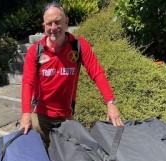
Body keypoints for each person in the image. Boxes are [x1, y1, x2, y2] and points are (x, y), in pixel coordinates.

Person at [19, 1, 123, 147]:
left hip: (66, 117)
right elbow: (27, 83)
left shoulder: (78, 46)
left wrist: (111, 103)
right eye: (49, 24)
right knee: (41, 158)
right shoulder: (35, 52)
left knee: (66, 158)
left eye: (57, 22)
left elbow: (97, 73)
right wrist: (25, 114)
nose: (53, 28)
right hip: (39, 117)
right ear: (44, 27)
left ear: (66, 22)